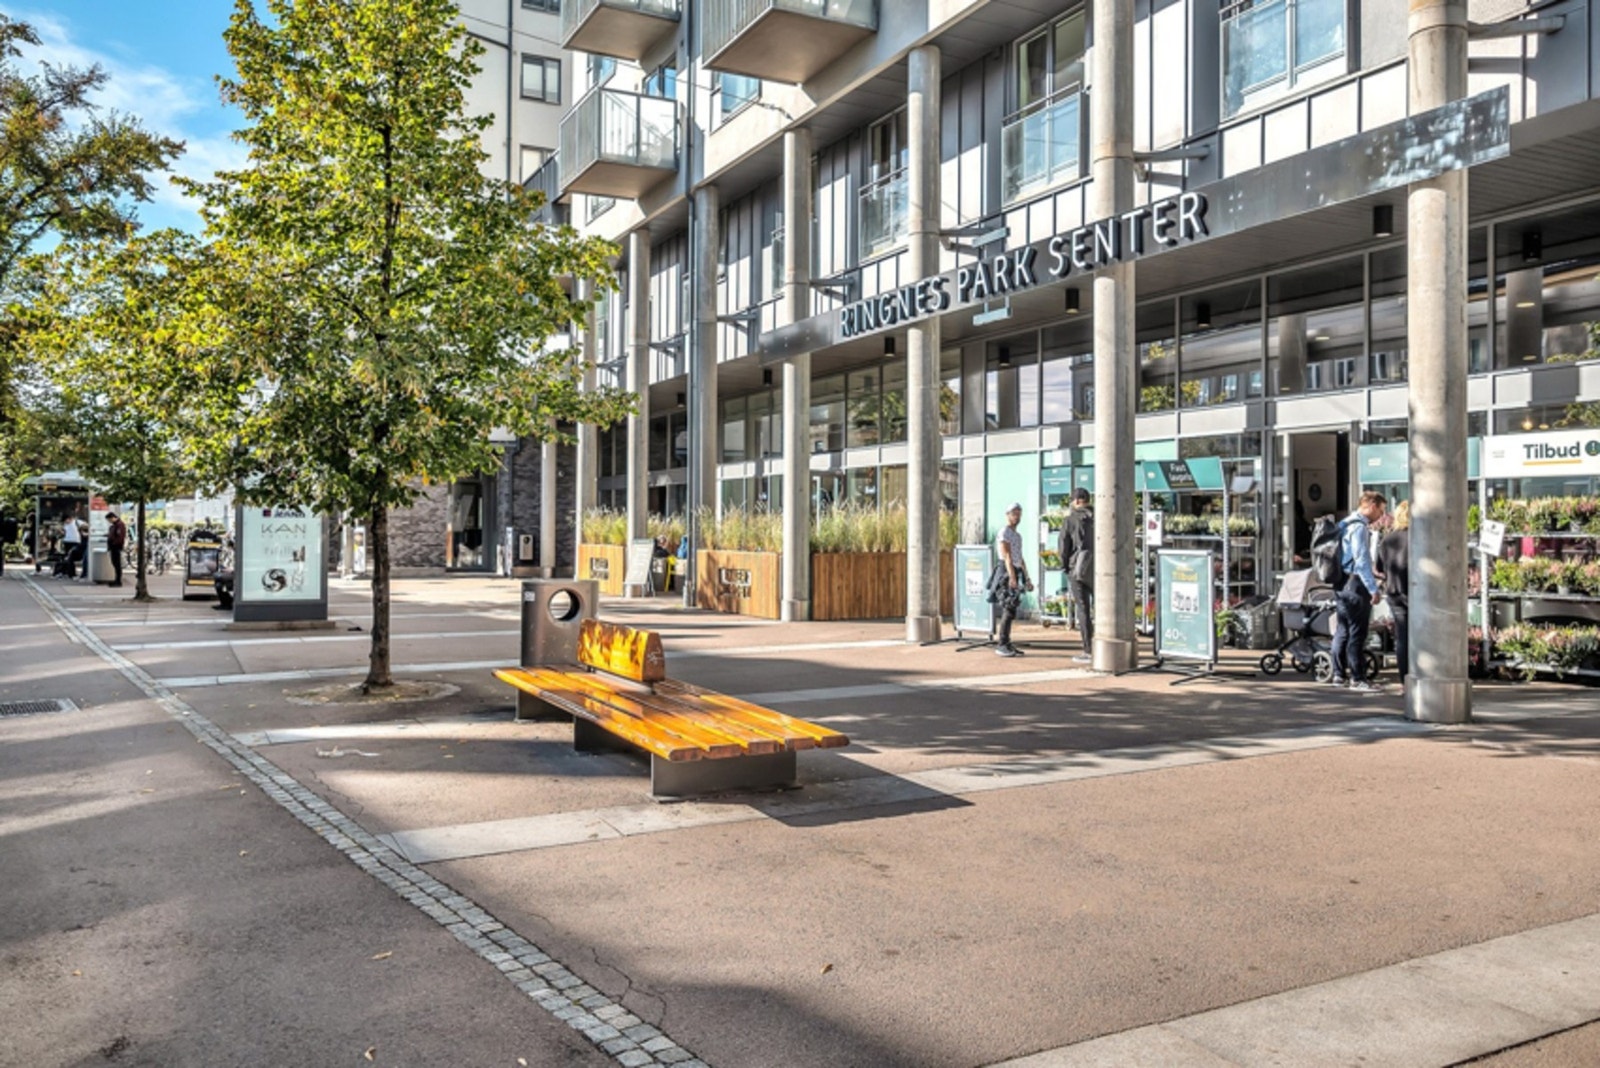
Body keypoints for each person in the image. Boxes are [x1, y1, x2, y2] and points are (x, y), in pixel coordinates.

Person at [1329, 491, 1387, 691]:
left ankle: (1338, 674)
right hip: (1355, 585)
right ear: (1371, 505)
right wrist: (1373, 589)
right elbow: (1361, 560)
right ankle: (1357, 677)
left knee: (1343, 629)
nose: (1381, 515)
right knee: (1357, 632)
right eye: (1380, 510)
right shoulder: (1359, 527)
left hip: (1341, 582)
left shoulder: (1344, 523)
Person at [1056, 487, 1094, 663]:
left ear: (1077, 501)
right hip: (1100, 568)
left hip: (1076, 568)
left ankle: (1088, 649)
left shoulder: (1070, 520)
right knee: (1103, 607)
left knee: (1083, 608)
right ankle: (1103, 645)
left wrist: (1064, 566)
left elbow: (1063, 546)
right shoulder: (1099, 517)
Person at [988, 502, 1031, 657]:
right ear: (1007, 515)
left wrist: (1026, 578)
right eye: (1013, 513)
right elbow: (1006, 555)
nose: (1016, 516)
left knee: (1012, 609)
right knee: (1008, 608)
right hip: (1006, 572)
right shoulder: (1004, 532)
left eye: (1019, 513)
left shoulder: (1018, 536)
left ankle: (1006, 642)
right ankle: (1002, 644)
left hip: (1016, 570)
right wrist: (1012, 577)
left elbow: (1020, 557)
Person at [1376, 500, 1411, 686]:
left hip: (1395, 592)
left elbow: (1380, 568)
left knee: (1402, 637)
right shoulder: (1418, 537)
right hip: (1417, 591)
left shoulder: (1387, 539)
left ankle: (1405, 680)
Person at [106, 510, 127, 587]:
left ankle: (118, 581)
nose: (109, 521)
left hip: (116, 547)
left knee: (117, 564)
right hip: (113, 547)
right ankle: (116, 580)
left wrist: (113, 543)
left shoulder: (119, 525)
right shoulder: (114, 525)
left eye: (109, 520)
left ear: (112, 518)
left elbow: (120, 537)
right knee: (115, 564)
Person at [59, 512, 83, 579]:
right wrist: (62, 532)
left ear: (69, 518)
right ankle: (68, 572)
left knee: (71, 557)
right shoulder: (65, 524)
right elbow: (65, 532)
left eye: (66, 520)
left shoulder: (78, 522)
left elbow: (86, 527)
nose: (66, 522)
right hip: (67, 542)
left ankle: (72, 573)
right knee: (68, 558)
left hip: (76, 542)